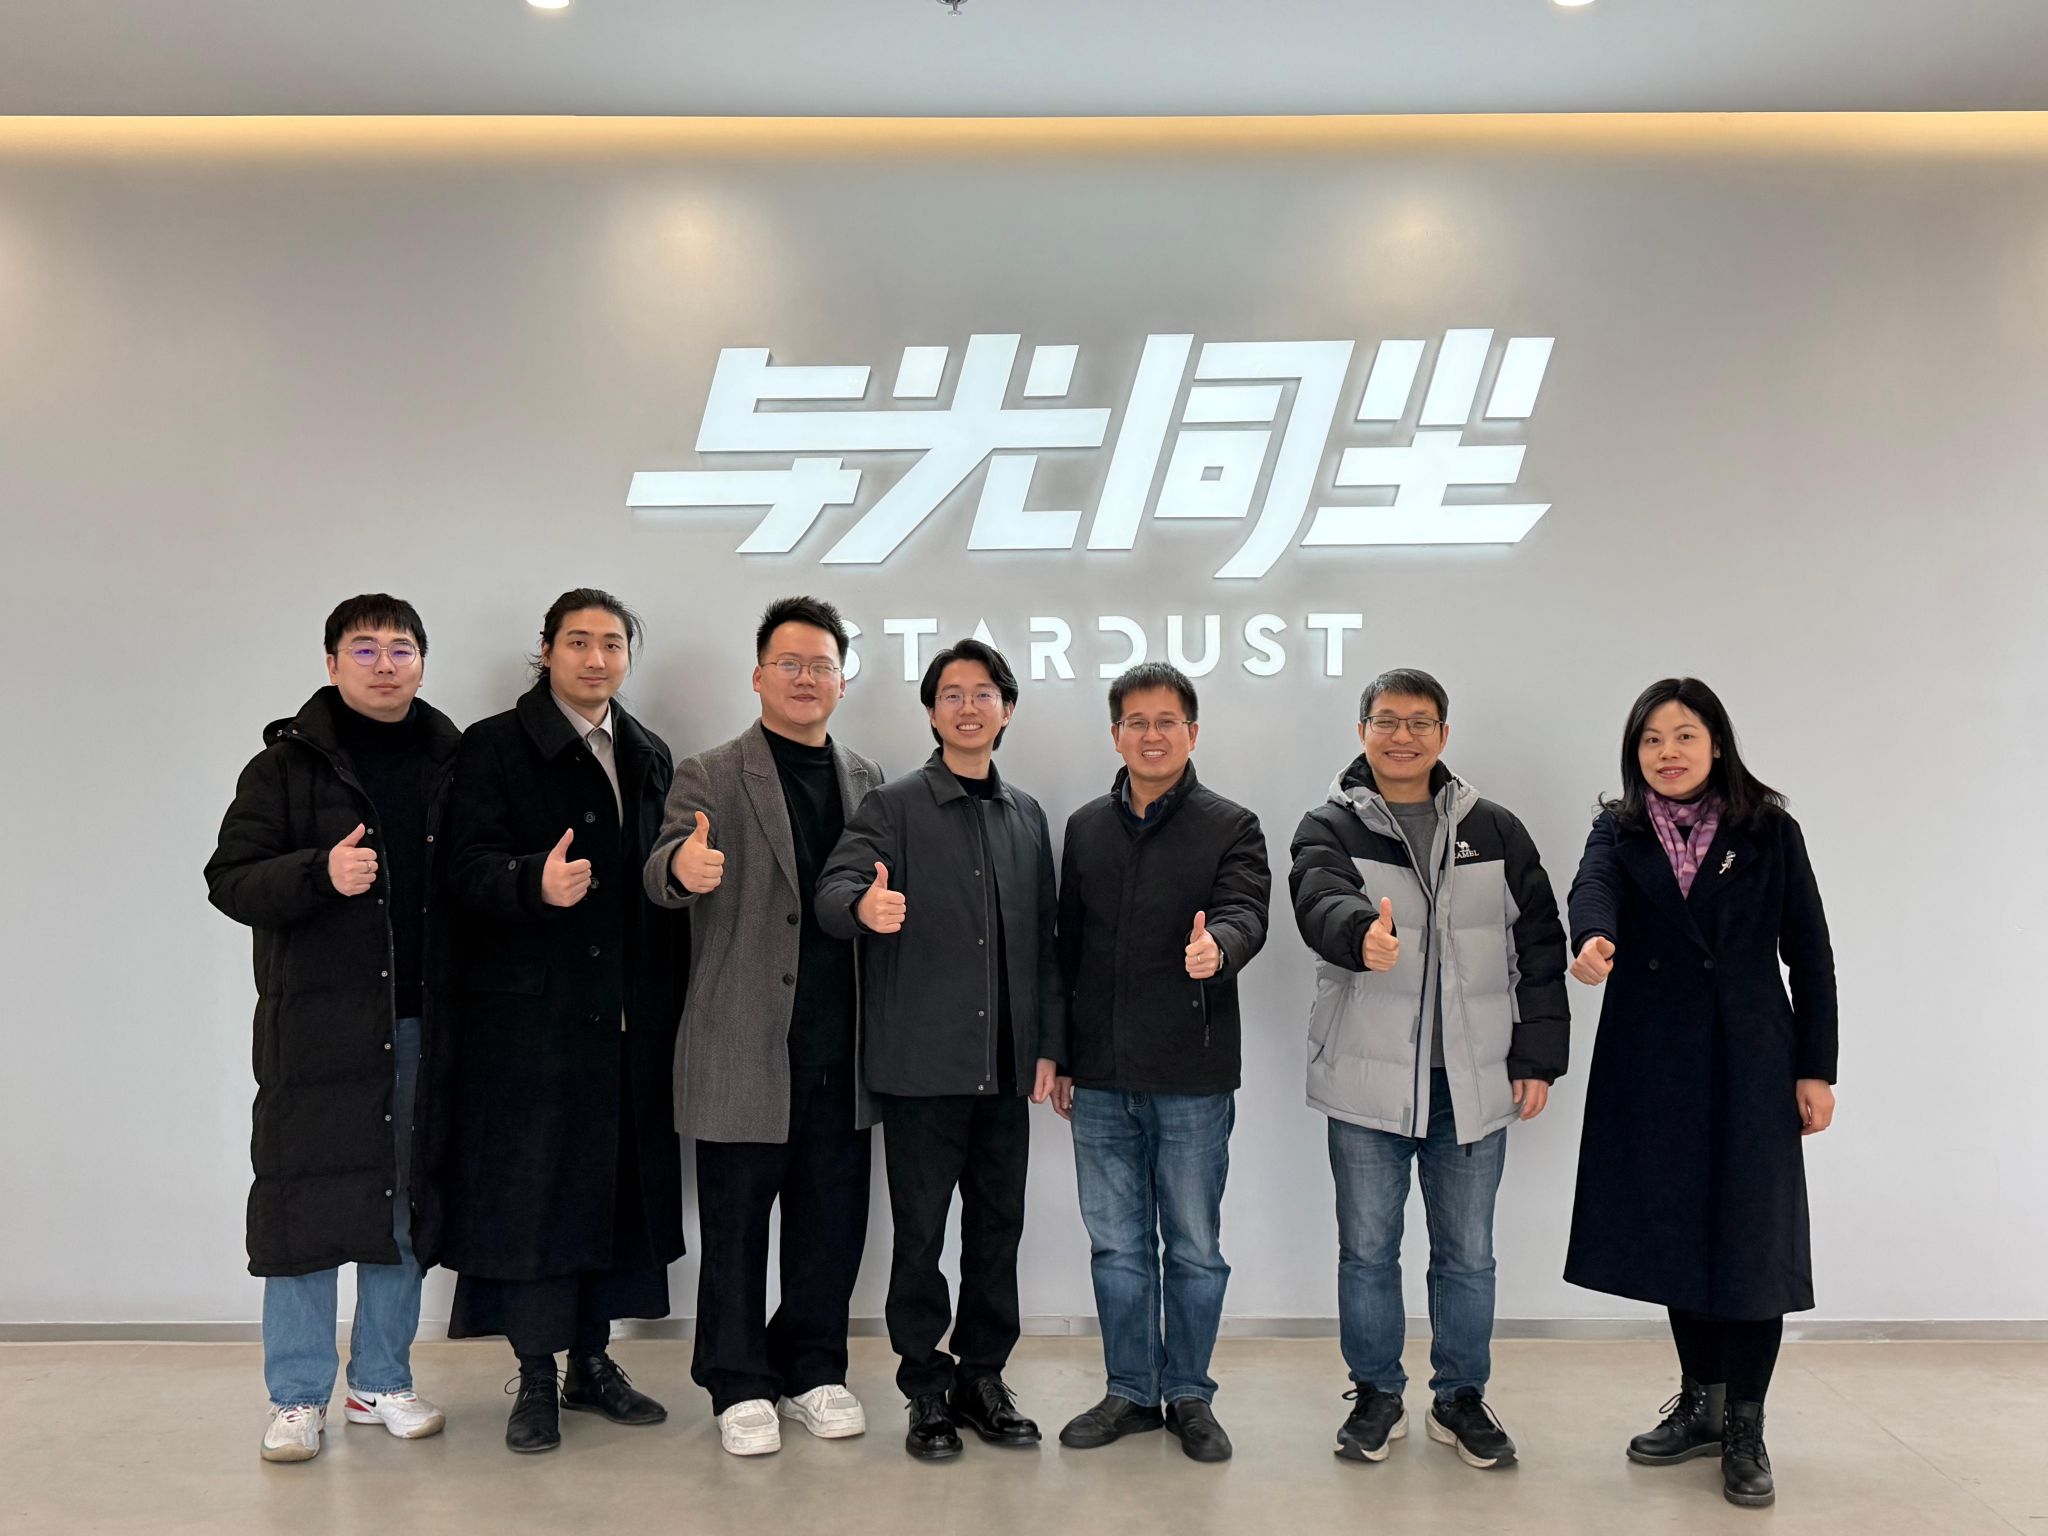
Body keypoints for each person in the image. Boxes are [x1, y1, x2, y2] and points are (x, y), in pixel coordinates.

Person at [1564, 677, 1838, 1510]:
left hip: (1752, 1056)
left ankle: (1746, 1424)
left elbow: (1810, 952)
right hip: (1654, 1058)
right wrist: (1593, 938)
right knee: (1678, 1232)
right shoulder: (1618, 828)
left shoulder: (1769, 830)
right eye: (1651, 739)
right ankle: (1702, 1406)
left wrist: (1817, 1068)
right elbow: (1591, 888)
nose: (1668, 752)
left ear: (1716, 742)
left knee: (1752, 1240)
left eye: (1684, 735)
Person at [1289, 667, 1568, 1471]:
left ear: (1444, 734)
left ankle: (1460, 1397)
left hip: (1472, 1083)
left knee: (1468, 1255)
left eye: (1419, 722)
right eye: (1386, 720)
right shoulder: (1329, 825)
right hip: (1368, 1081)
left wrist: (1538, 1057)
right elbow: (1318, 899)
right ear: (1363, 731)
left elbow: (1539, 945)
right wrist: (1358, 936)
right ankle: (1376, 1394)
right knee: (1367, 1252)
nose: (1402, 736)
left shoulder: (1496, 829)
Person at [205, 594, 459, 1463]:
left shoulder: (453, 761)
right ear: (331, 663)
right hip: (316, 1032)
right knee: (302, 1207)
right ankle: (298, 1395)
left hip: (422, 1026)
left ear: (422, 662)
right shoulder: (284, 767)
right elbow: (230, 880)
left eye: (401, 648)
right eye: (365, 648)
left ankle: (381, 1380)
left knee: (402, 1208)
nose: (385, 664)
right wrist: (321, 872)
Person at [441, 589, 688, 1455]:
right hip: (532, 1024)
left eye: (612, 643)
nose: (595, 658)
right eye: (578, 642)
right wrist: (530, 883)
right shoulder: (494, 746)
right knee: (536, 1200)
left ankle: (592, 1363)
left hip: (626, 1018)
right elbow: (460, 871)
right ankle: (537, 1374)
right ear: (545, 651)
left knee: (612, 1195)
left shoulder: (648, 752)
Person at [642, 596, 885, 1457]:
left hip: (841, 1044)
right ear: (758, 676)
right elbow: (660, 870)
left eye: (822, 665)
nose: (806, 678)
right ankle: (737, 1381)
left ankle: (814, 1369)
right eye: (790, 663)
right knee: (737, 1228)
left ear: (842, 681)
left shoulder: (868, 778)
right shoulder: (711, 773)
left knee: (831, 1225)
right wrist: (683, 867)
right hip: (742, 1041)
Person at [817, 639, 1062, 1462]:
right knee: (920, 1237)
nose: (968, 706)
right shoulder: (892, 806)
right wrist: (863, 908)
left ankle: (983, 1378)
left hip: (1007, 1067)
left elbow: (1045, 944)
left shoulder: (1026, 815)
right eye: (951, 694)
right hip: (922, 1066)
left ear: (1007, 709)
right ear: (931, 712)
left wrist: (1048, 1046)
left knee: (998, 1232)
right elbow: (834, 889)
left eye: (983, 693)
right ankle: (925, 1386)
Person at [1047, 662, 1270, 1464]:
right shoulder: (1084, 828)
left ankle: (1189, 1395)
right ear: (1116, 735)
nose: (1151, 735)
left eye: (1166, 721)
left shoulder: (1231, 824)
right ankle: (1132, 1392)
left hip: (1191, 1075)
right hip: (1101, 1078)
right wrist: (1059, 1054)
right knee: (1117, 1247)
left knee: (1195, 1247)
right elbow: (1065, 948)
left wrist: (1221, 948)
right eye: (1135, 722)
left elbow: (1247, 910)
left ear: (1192, 732)